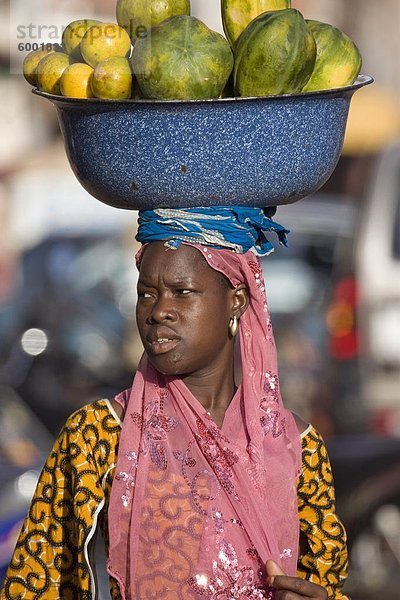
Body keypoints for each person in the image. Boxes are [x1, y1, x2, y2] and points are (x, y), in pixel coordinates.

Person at [1, 207, 349, 600]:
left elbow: (325, 582)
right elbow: (33, 583)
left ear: (236, 301)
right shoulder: (97, 437)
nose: (158, 311)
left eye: (182, 292)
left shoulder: (295, 447)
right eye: (146, 293)